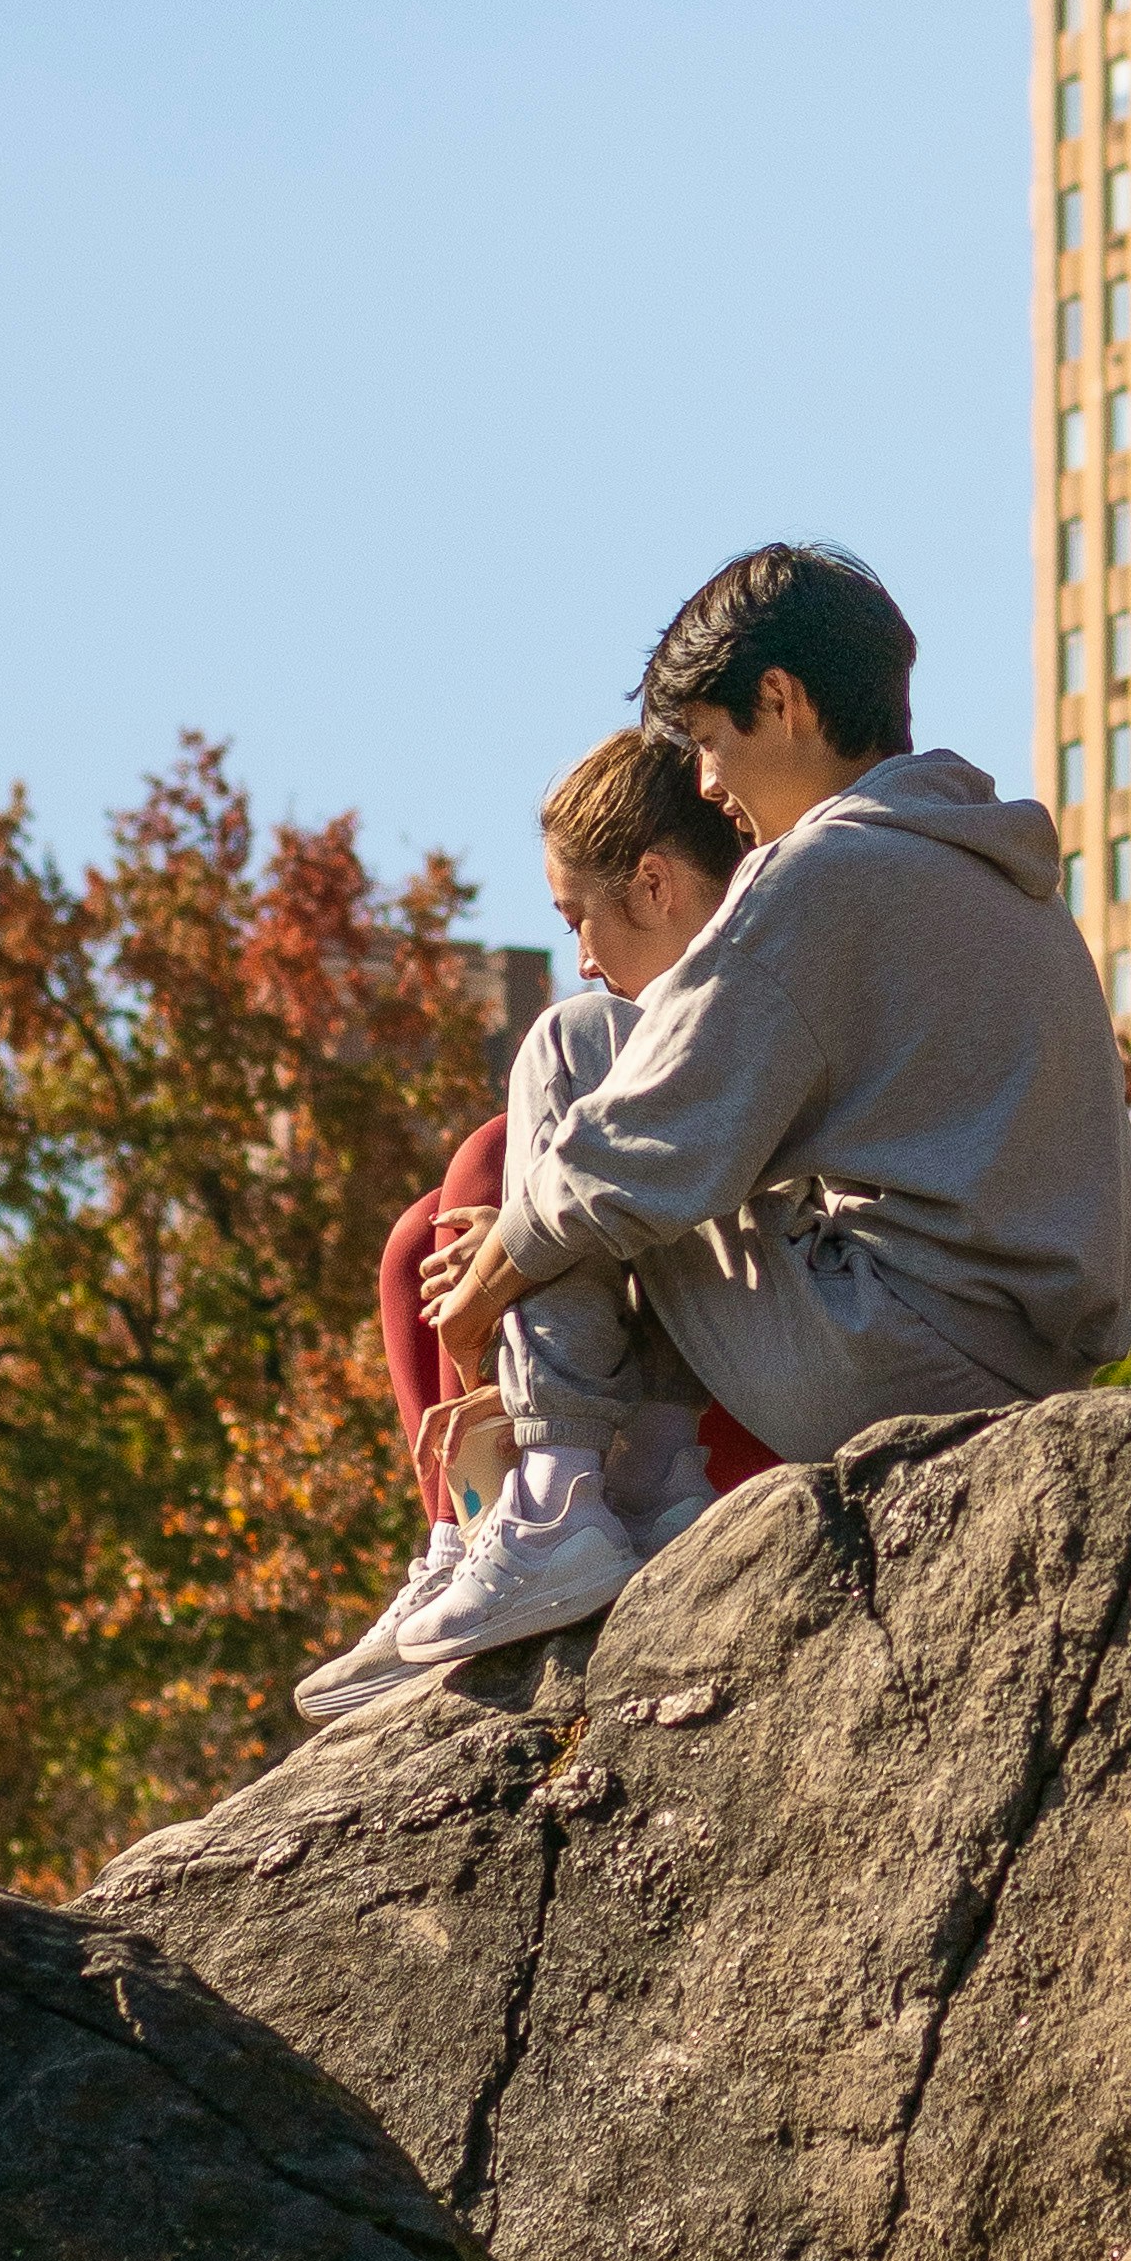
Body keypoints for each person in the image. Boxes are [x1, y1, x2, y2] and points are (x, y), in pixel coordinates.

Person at [398, 538, 1131, 1668]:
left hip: (897, 1360)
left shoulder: (821, 874)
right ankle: (642, 1494)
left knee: (579, 1046)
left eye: (706, 741)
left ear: (779, 701)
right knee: (600, 1102)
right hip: (1019, 1356)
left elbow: (643, 1149)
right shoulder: (985, 865)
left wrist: (492, 1275)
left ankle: (552, 1505)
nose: (703, 783)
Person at [304, 727, 756, 1724]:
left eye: (579, 923)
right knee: (423, 1231)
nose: (585, 959)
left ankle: (548, 1508)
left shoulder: (755, 991)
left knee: (503, 1146)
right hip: (702, 1355)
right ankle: (462, 1534)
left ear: (654, 886)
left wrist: (506, 1260)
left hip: (744, 1397)